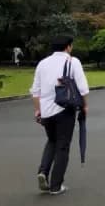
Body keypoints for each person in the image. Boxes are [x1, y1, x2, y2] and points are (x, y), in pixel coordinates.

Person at [30, 34, 89, 195]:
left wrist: (38, 110)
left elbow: (35, 92)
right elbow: (83, 88)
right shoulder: (72, 61)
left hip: (46, 111)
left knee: (52, 141)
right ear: (68, 46)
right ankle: (56, 185)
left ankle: (43, 171)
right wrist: (85, 105)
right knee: (63, 146)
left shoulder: (42, 64)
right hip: (65, 109)